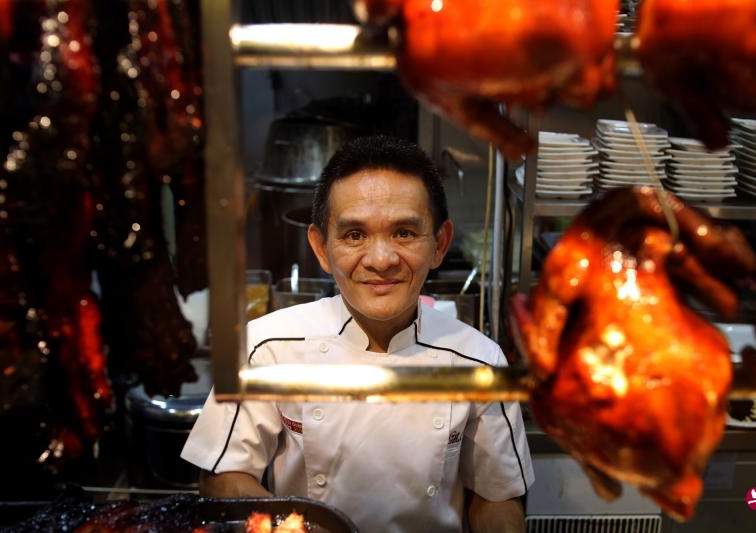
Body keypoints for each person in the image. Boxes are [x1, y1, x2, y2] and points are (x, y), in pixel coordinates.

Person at [181, 136, 535, 532]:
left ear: (439, 244)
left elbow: (497, 497)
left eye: (404, 233)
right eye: (354, 235)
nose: (381, 260)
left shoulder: (481, 361)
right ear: (321, 247)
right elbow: (221, 477)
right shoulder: (267, 347)